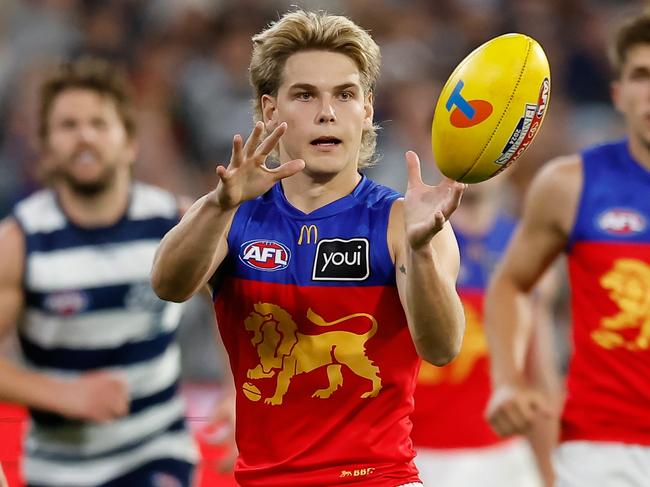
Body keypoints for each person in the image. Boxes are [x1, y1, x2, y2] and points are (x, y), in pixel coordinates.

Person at [151, 9, 466, 487]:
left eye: (345, 94)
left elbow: (442, 349)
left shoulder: (407, 223)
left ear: (367, 111)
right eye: (305, 95)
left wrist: (420, 251)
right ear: (270, 110)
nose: (327, 111)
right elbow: (168, 285)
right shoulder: (232, 213)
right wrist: (219, 204)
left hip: (378, 478)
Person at [0, 58, 197, 486]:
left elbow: (236, 300)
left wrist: (238, 393)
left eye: (99, 123)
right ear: (47, 146)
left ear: (129, 142)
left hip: (158, 450)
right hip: (57, 467)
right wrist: (61, 394)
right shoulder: (19, 242)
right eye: (68, 125)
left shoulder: (175, 222)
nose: (84, 135)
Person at [484, 10, 650, 487]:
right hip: (601, 448)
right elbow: (513, 283)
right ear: (618, 94)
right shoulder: (570, 184)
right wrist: (508, 381)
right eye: (642, 75)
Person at [411, 178, 560, 487]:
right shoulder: (405, 236)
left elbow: (540, 375)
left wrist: (550, 471)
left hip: (503, 458)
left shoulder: (526, 245)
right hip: (413, 455)